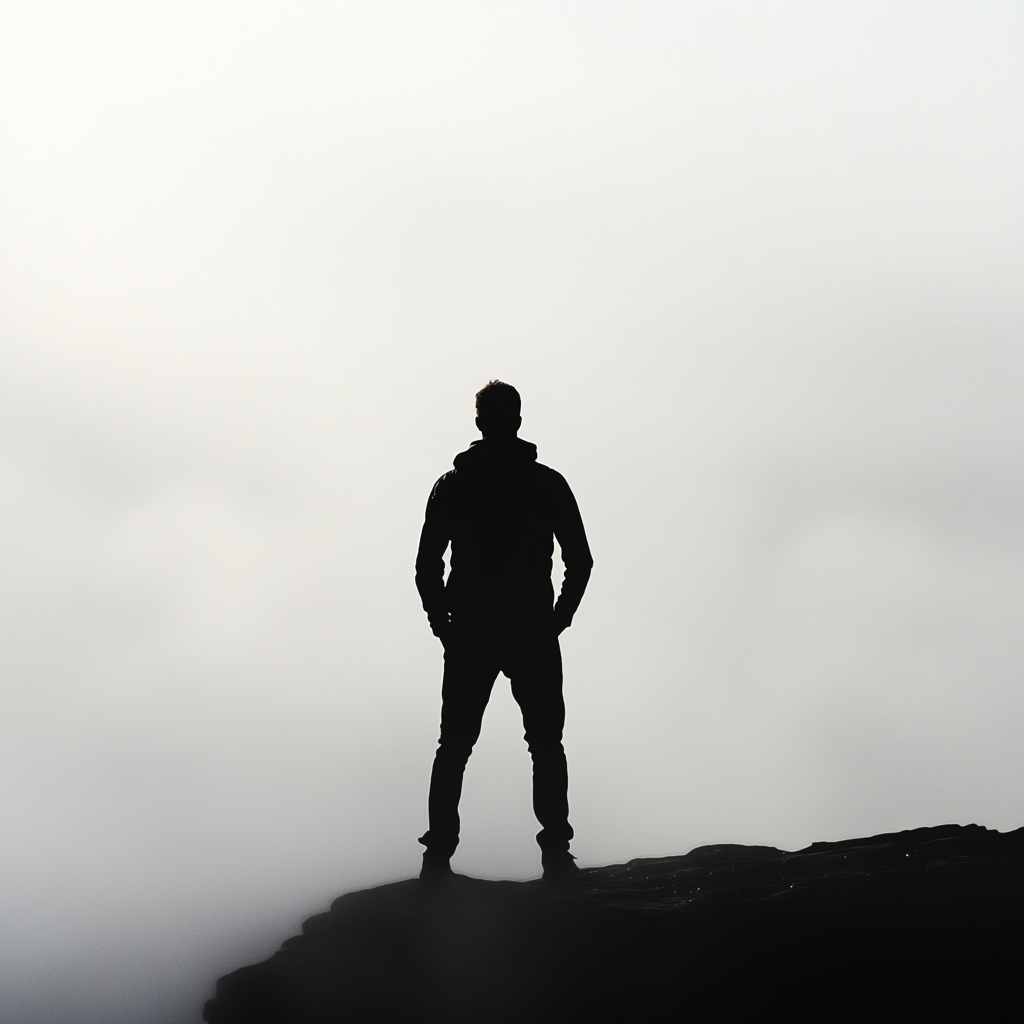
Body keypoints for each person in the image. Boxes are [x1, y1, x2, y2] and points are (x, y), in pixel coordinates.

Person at [415, 380, 593, 882]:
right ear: (516, 419)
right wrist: (559, 616)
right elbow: (580, 559)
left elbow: (426, 565)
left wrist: (442, 623)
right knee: (545, 743)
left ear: (479, 422)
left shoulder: (454, 485)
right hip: (531, 628)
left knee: (454, 744)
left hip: (472, 630)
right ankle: (556, 853)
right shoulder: (545, 483)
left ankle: (438, 856)